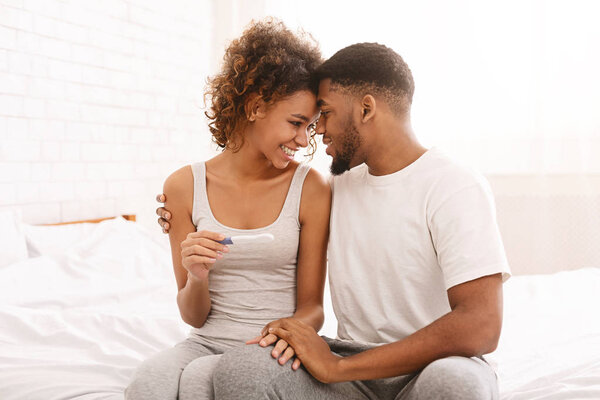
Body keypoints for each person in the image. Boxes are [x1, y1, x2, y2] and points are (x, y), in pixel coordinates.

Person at [157, 43, 510, 399]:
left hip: (433, 366)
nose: (318, 131)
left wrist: (339, 368)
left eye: (324, 113)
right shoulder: (337, 188)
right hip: (352, 374)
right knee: (243, 369)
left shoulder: (454, 186)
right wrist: (176, 211)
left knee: (455, 384)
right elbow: (269, 211)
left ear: (366, 108)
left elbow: (481, 326)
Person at [126, 20, 330, 400]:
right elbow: (192, 316)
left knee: (201, 380)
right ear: (254, 107)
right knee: (146, 386)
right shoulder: (183, 187)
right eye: (296, 123)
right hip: (203, 342)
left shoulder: (311, 188)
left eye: (311, 127)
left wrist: (281, 334)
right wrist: (197, 275)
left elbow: (313, 309)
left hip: (273, 346)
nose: (304, 140)